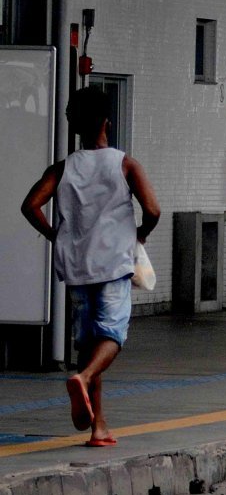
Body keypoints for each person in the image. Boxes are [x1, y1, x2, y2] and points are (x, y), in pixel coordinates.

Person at [19, 87, 160, 447]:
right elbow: (154, 210)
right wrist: (139, 235)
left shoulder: (63, 168)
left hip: (78, 268)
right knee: (112, 337)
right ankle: (82, 380)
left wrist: (55, 235)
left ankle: (99, 427)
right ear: (107, 122)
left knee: (88, 345)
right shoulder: (124, 163)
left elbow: (30, 204)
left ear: (77, 125)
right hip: (113, 265)